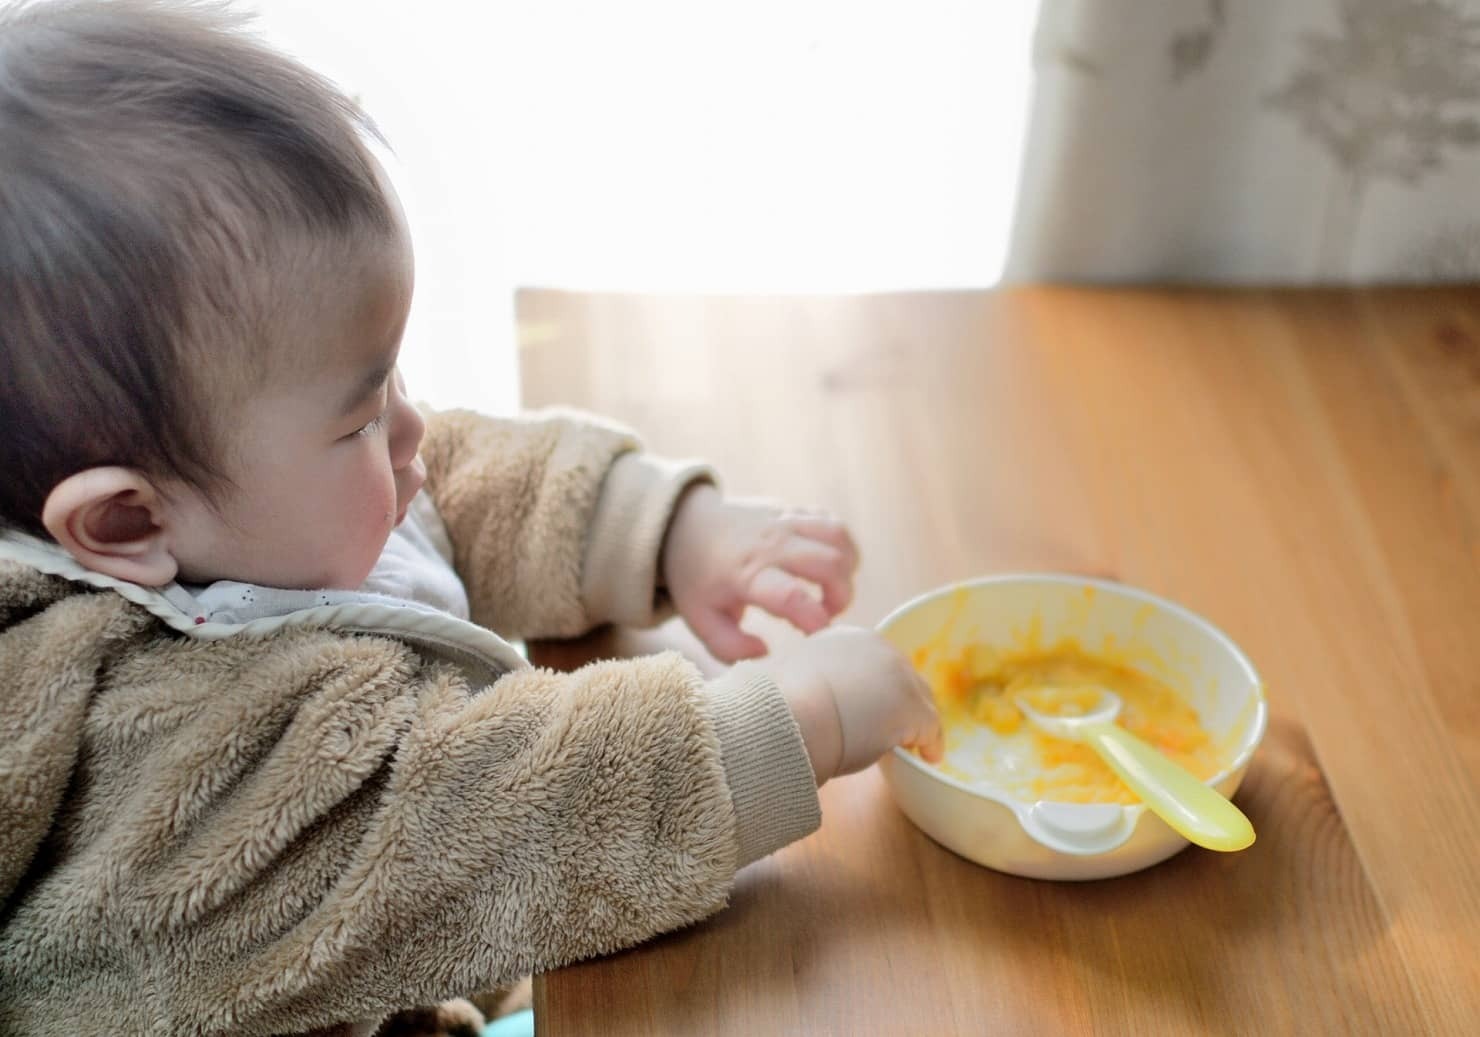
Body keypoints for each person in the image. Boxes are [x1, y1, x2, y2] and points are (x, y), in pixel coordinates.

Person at [0, 2, 942, 1034]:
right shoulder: (162, 762)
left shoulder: (221, 498)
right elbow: (485, 825)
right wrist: (805, 718)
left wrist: (665, 528)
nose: (410, 423)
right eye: (361, 413)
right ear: (125, 521)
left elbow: (446, 474)